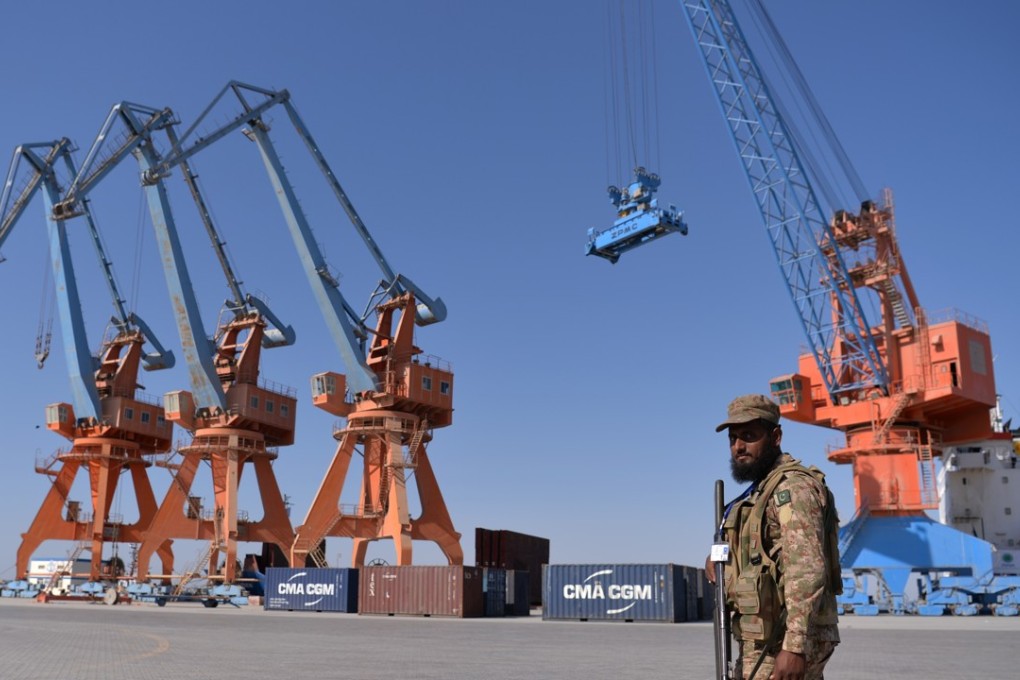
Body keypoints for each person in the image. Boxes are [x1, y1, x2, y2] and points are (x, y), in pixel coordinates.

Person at [707, 394, 841, 680]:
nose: (738, 447)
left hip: (782, 640)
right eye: (733, 439)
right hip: (765, 638)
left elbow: (807, 568)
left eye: (749, 436)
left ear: (776, 436)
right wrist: (722, 560)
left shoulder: (791, 488)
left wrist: (794, 647)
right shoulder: (759, 491)